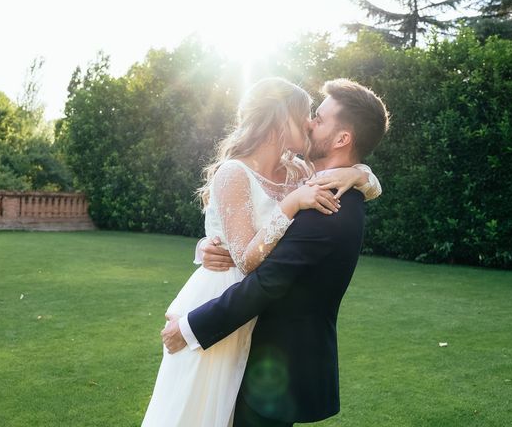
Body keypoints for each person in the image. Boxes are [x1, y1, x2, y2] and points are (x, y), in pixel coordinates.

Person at [141, 77, 381, 427]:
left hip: (250, 319)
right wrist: (207, 246)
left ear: (343, 138)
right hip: (224, 299)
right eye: (309, 114)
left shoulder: (304, 175)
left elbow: (265, 273)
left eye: (319, 117)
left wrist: (361, 173)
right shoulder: (250, 174)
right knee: (199, 410)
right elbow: (243, 253)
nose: (311, 122)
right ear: (282, 119)